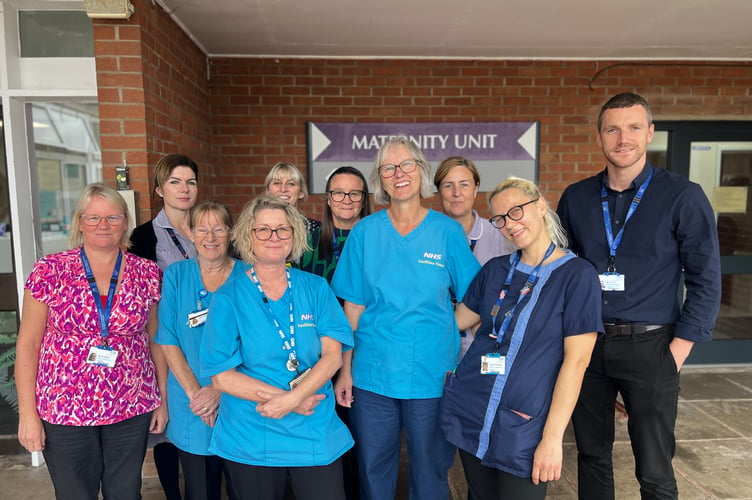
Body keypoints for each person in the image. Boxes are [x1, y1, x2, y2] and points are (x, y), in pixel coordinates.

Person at [557, 92, 722, 500]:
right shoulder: (577, 198)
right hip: (588, 346)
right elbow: (561, 273)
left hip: (653, 346)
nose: (622, 137)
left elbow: (706, 279)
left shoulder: (682, 196)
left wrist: (675, 355)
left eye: (633, 127)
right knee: (591, 456)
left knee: (654, 466)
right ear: (599, 136)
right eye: (612, 128)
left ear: (649, 133)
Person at [331, 137, 481, 500]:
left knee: (430, 470)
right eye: (388, 168)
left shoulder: (446, 232)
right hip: (372, 374)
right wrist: (344, 370)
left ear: (422, 171)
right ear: (381, 180)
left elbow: (476, 300)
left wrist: (445, 325)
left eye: (407, 165)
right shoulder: (365, 233)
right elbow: (352, 308)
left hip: (431, 374)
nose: (399, 174)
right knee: (373, 468)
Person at [440, 177, 601, 500]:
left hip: (524, 424)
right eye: (500, 219)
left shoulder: (577, 276)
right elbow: (455, 321)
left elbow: (577, 362)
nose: (509, 225)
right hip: (473, 409)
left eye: (516, 211)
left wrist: (553, 438)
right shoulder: (496, 270)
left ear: (540, 206)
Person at [16, 183, 166, 499]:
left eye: (113, 217)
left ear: (125, 222)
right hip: (64, 406)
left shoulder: (147, 273)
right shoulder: (50, 270)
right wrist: (28, 414)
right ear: (80, 222)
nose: (103, 225)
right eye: (94, 217)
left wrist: (161, 400)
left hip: (130, 402)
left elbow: (155, 339)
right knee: (74, 493)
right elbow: (28, 345)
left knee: (126, 492)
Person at [200, 195, 354, 500]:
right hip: (253, 437)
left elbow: (333, 355)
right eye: (264, 230)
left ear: (294, 236)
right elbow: (221, 377)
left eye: (282, 229)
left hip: (312, 433)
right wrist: (289, 401)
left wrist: (294, 398)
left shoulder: (315, 287)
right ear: (248, 236)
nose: (274, 237)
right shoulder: (229, 296)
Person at [155, 201, 246, 500]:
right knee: (200, 490)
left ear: (230, 233)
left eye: (218, 228)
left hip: (239, 399)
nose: (211, 236)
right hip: (189, 400)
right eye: (202, 229)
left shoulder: (249, 277)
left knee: (242, 485)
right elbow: (168, 338)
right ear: (191, 233)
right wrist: (197, 394)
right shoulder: (177, 276)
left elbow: (258, 344)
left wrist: (219, 391)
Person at [130, 153, 199, 500]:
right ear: (160, 189)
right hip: (164, 341)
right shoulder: (144, 237)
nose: (184, 189)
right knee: (167, 423)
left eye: (190, 181)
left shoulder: (208, 228)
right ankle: (174, 494)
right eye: (175, 182)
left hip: (206, 341)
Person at [434, 156, 516, 357]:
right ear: (438, 191)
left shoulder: (500, 234)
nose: (456, 193)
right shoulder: (427, 237)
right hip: (436, 347)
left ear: (476, 188)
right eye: (448, 186)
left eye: (464, 184)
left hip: (484, 349)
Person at [297, 166, 371, 282]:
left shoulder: (379, 242)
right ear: (328, 200)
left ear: (363, 201)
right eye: (338, 193)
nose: (347, 200)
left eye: (354, 193)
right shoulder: (308, 245)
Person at [264, 161, 321, 232]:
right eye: (277, 183)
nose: (283, 189)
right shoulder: (253, 226)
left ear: (301, 192)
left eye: (291, 184)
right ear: (268, 191)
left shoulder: (317, 230)